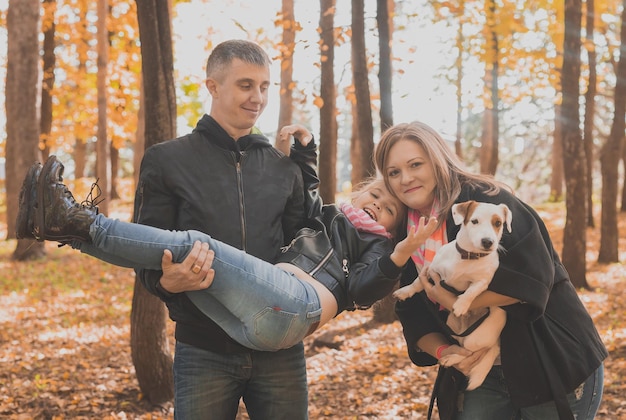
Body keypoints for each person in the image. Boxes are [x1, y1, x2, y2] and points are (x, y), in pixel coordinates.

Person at [17, 151, 437, 352]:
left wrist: (398, 255)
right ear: (363, 190)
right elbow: (306, 204)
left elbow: (363, 291)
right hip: (257, 322)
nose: (377, 207)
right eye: (377, 195)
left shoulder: (380, 246)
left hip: (299, 306)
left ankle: (76, 220)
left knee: (194, 244)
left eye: (387, 211)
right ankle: (62, 229)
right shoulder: (329, 216)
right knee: (188, 259)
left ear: (392, 227)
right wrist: (307, 154)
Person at [373, 121, 607, 420]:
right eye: (394, 172)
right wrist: (448, 354)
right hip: (483, 372)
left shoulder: (488, 201)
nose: (406, 178)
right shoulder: (406, 235)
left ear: (438, 161)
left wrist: (450, 301)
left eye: (415, 164)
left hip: (551, 362)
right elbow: (412, 313)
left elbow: (534, 280)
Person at [129, 39, 304, 419]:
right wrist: (165, 284)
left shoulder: (284, 168)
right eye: (245, 84)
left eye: (264, 86)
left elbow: (306, 249)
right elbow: (145, 252)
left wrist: (308, 171)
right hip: (202, 348)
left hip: (280, 350)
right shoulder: (166, 161)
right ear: (212, 86)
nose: (257, 97)